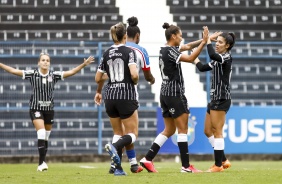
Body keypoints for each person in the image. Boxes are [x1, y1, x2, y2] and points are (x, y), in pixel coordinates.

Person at [0, 53, 94, 171]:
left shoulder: (53, 75)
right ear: (38, 63)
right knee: (41, 132)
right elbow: (13, 70)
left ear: (49, 63)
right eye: (43, 60)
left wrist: (83, 65)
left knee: (46, 137)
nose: (45, 62)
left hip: (49, 110)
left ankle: (42, 162)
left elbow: (71, 72)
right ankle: (41, 164)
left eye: (47, 60)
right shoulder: (32, 74)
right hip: (36, 108)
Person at [140, 23, 209, 173]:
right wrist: (204, 43)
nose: (182, 37)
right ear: (173, 36)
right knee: (183, 129)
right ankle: (186, 166)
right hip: (174, 93)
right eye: (180, 35)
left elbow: (188, 46)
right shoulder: (171, 52)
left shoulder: (165, 49)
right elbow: (191, 57)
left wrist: (205, 39)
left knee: (169, 129)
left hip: (164, 93)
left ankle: (147, 158)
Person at [107, 16, 155, 174]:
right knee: (131, 132)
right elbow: (145, 75)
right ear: (138, 36)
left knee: (119, 132)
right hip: (129, 94)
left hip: (112, 92)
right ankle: (119, 156)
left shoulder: (115, 49)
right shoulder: (139, 51)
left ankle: (128, 164)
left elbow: (101, 76)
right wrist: (152, 80)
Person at [94, 22, 139, 176]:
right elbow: (133, 74)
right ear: (125, 36)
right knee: (132, 134)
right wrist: (136, 79)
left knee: (118, 132)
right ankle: (115, 147)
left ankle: (116, 168)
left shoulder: (106, 53)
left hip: (110, 96)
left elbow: (98, 77)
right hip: (125, 95)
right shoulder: (129, 51)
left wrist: (99, 92)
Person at [193, 32, 235, 172]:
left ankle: (218, 165)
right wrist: (194, 57)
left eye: (220, 42)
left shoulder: (226, 57)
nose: (217, 43)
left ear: (227, 46)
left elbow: (212, 55)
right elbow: (202, 67)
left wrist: (207, 41)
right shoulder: (217, 59)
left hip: (222, 98)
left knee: (217, 131)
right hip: (214, 99)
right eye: (216, 41)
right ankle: (223, 160)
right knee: (207, 131)